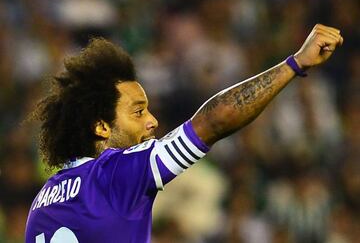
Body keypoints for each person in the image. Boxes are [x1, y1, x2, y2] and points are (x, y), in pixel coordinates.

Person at [25, 24, 343, 242]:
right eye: (138, 112)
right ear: (101, 127)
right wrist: (295, 63)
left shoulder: (41, 203)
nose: (152, 122)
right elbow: (215, 121)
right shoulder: (115, 172)